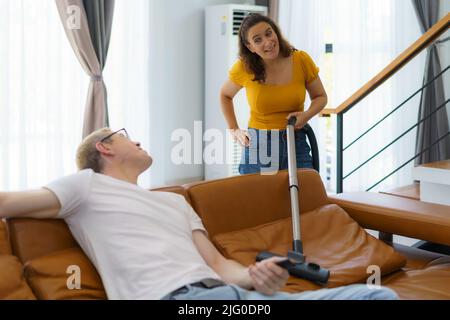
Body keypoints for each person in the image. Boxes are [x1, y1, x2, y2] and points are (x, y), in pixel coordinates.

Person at [0, 128, 398, 300]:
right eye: (125, 136)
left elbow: (221, 266)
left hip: (232, 295)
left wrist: (257, 277)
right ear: (104, 148)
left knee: (376, 294)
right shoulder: (84, 186)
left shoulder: (175, 202)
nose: (137, 139)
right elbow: (7, 203)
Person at [220, 13, 327, 175]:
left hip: (295, 140)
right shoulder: (244, 67)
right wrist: (234, 130)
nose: (268, 42)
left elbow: (320, 96)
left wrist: (307, 115)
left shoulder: (301, 60)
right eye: (258, 40)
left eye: (269, 33)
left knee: (305, 196)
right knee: (258, 199)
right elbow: (225, 95)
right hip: (259, 145)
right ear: (250, 47)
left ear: (275, 32)